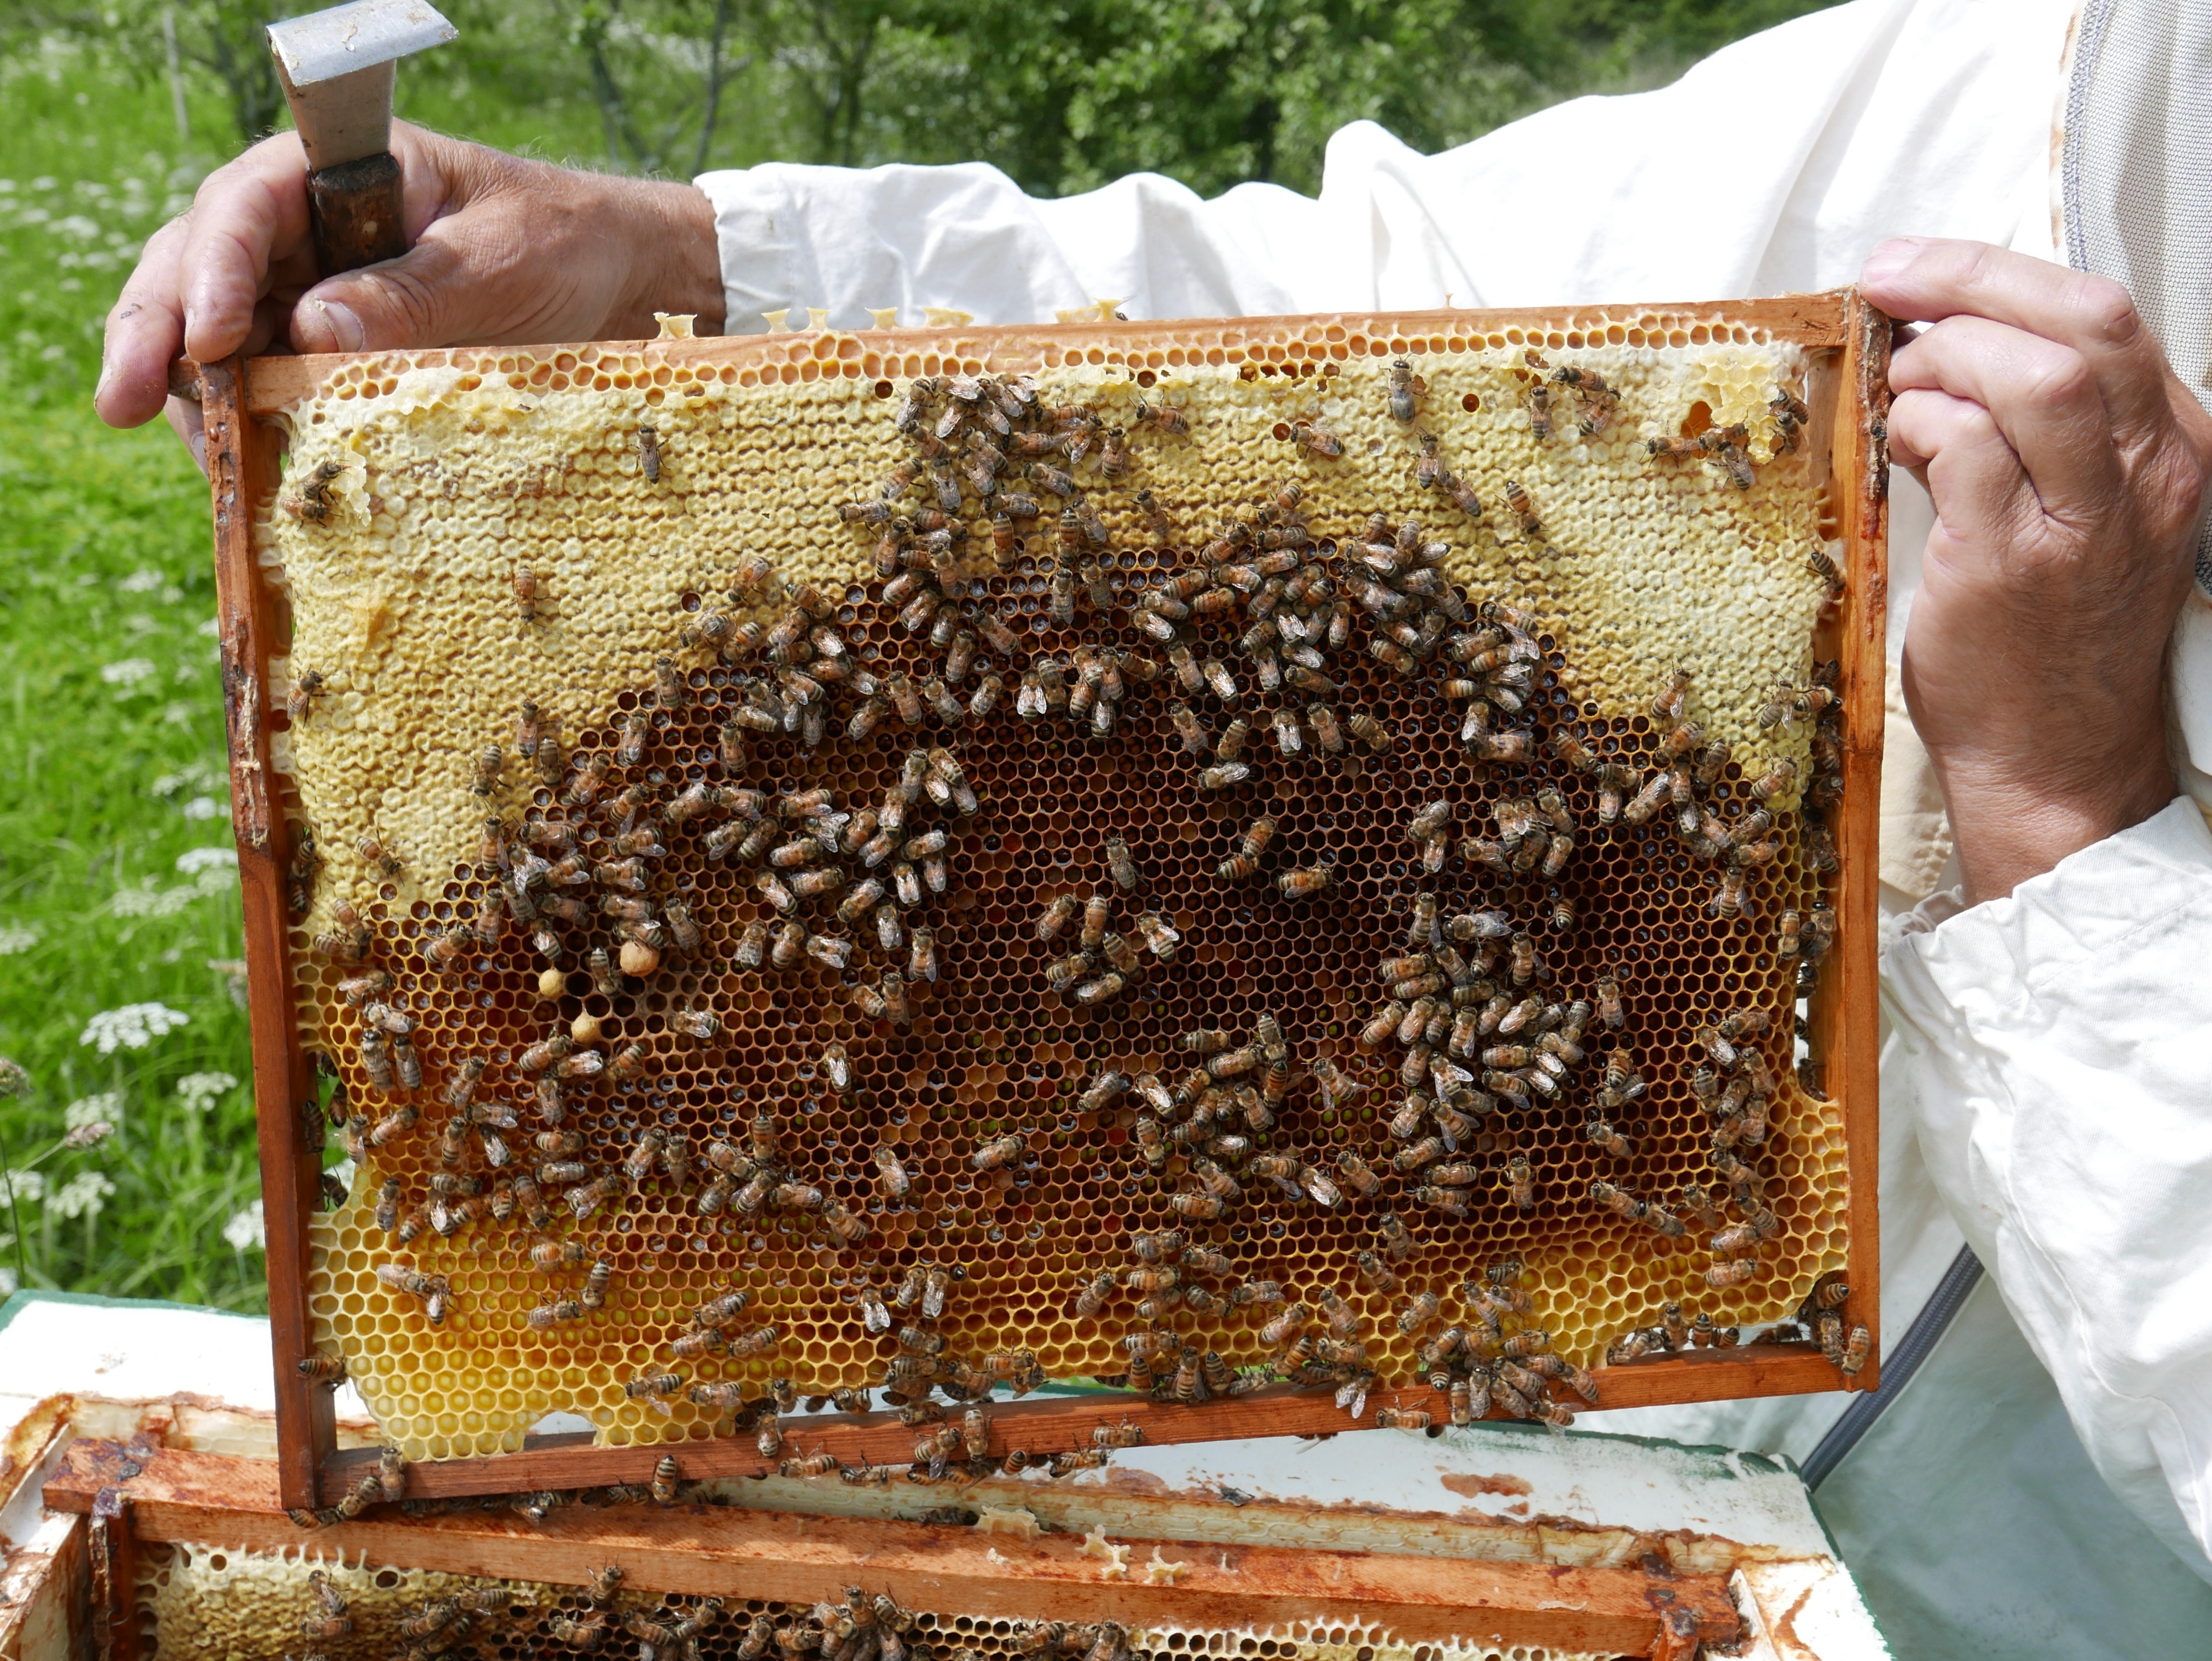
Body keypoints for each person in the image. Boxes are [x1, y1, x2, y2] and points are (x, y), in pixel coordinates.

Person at [95, 0, 2212, 1650]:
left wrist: (2067, 824)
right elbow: (1392, 315)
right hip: (1522, 1379)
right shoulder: (2065, 70)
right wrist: (691, 267)